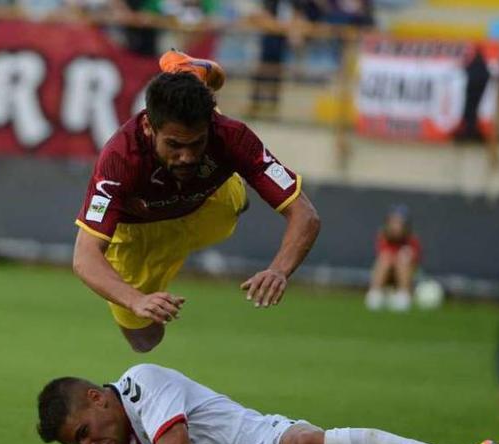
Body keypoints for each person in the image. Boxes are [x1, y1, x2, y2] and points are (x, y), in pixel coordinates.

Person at [72, 53, 320, 353]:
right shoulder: (119, 159)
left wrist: (280, 270)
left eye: (196, 143)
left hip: (209, 207)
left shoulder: (232, 136)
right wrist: (137, 299)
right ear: (149, 127)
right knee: (145, 339)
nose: (187, 156)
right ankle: (186, 71)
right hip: (141, 232)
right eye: (174, 145)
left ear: (210, 125)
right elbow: (85, 256)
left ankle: (188, 74)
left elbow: (305, 214)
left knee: (232, 197)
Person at [37, 363, 498, 444]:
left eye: (83, 432)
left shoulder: (141, 383)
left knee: (302, 443)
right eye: (76, 443)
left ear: (98, 398)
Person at [364, 205, 421, 311]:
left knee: (402, 261)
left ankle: (403, 296)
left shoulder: (412, 242)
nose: (395, 226)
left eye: (398, 223)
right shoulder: (383, 238)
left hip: (404, 278)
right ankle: (375, 295)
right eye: (392, 222)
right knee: (385, 259)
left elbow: (414, 265)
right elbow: (383, 256)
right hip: (388, 276)